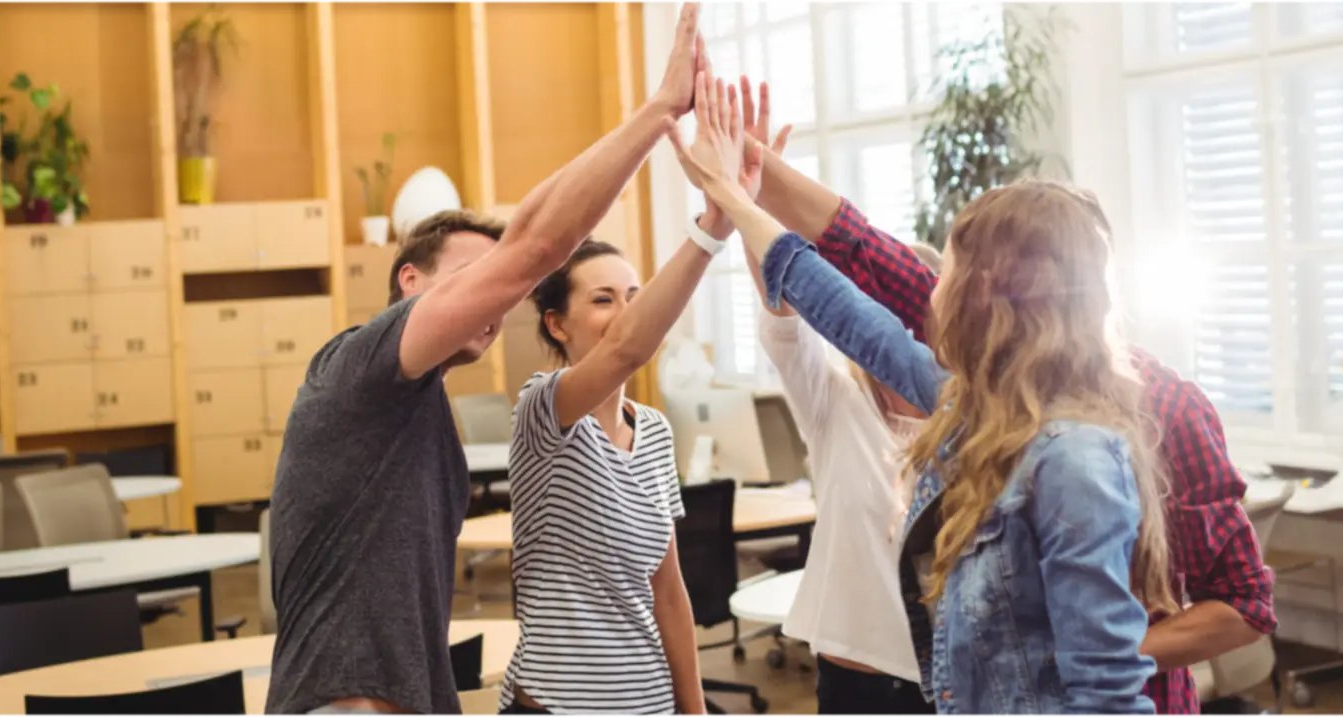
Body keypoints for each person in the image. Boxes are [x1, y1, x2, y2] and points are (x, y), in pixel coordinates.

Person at [740, 79, 1276, 716]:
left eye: (959, 273)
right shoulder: (976, 380)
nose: (941, 288)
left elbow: (1243, 607)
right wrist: (748, 178)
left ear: (1017, 291)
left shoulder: (1162, 410)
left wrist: (1071, 646)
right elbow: (860, 264)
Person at [261, 0, 708, 713]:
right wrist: (659, 112)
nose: (495, 303)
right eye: (475, 280)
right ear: (410, 281)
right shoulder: (357, 367)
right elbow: (536, 246)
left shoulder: (421, 404)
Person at [666, 86, 1168, 714]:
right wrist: (741, 198)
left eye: (949, 272)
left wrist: (741, 197)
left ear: (988, 293)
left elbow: (1108, 696)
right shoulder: (978, 408)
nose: (932, 293)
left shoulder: (1076, 459)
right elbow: (841, 308)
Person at [497, 74, 745, 717]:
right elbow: (626, 350)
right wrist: (711, 228)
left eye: (633, 297)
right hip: (557, 706)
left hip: (649, 704)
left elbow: (668, 594)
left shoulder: (654, 432)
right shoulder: (542, 410)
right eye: (602, 300)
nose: (626, 313)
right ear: (558, 324)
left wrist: (692, 713)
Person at [732, 85, 932, 712]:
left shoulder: (973, 414)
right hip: (856, 670)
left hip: (949, 673)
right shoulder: (835, 404)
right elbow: (783, 310)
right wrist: (751, 198)